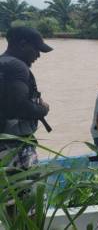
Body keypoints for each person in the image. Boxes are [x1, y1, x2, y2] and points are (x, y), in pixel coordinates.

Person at [0, 26, 52, 170]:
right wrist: (43, 109)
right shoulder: (18, 67)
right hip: (14, 146)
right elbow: (20, 106)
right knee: (26, 190)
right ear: (23, 44)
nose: (38, 55)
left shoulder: (3, 64)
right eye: (36, 49)